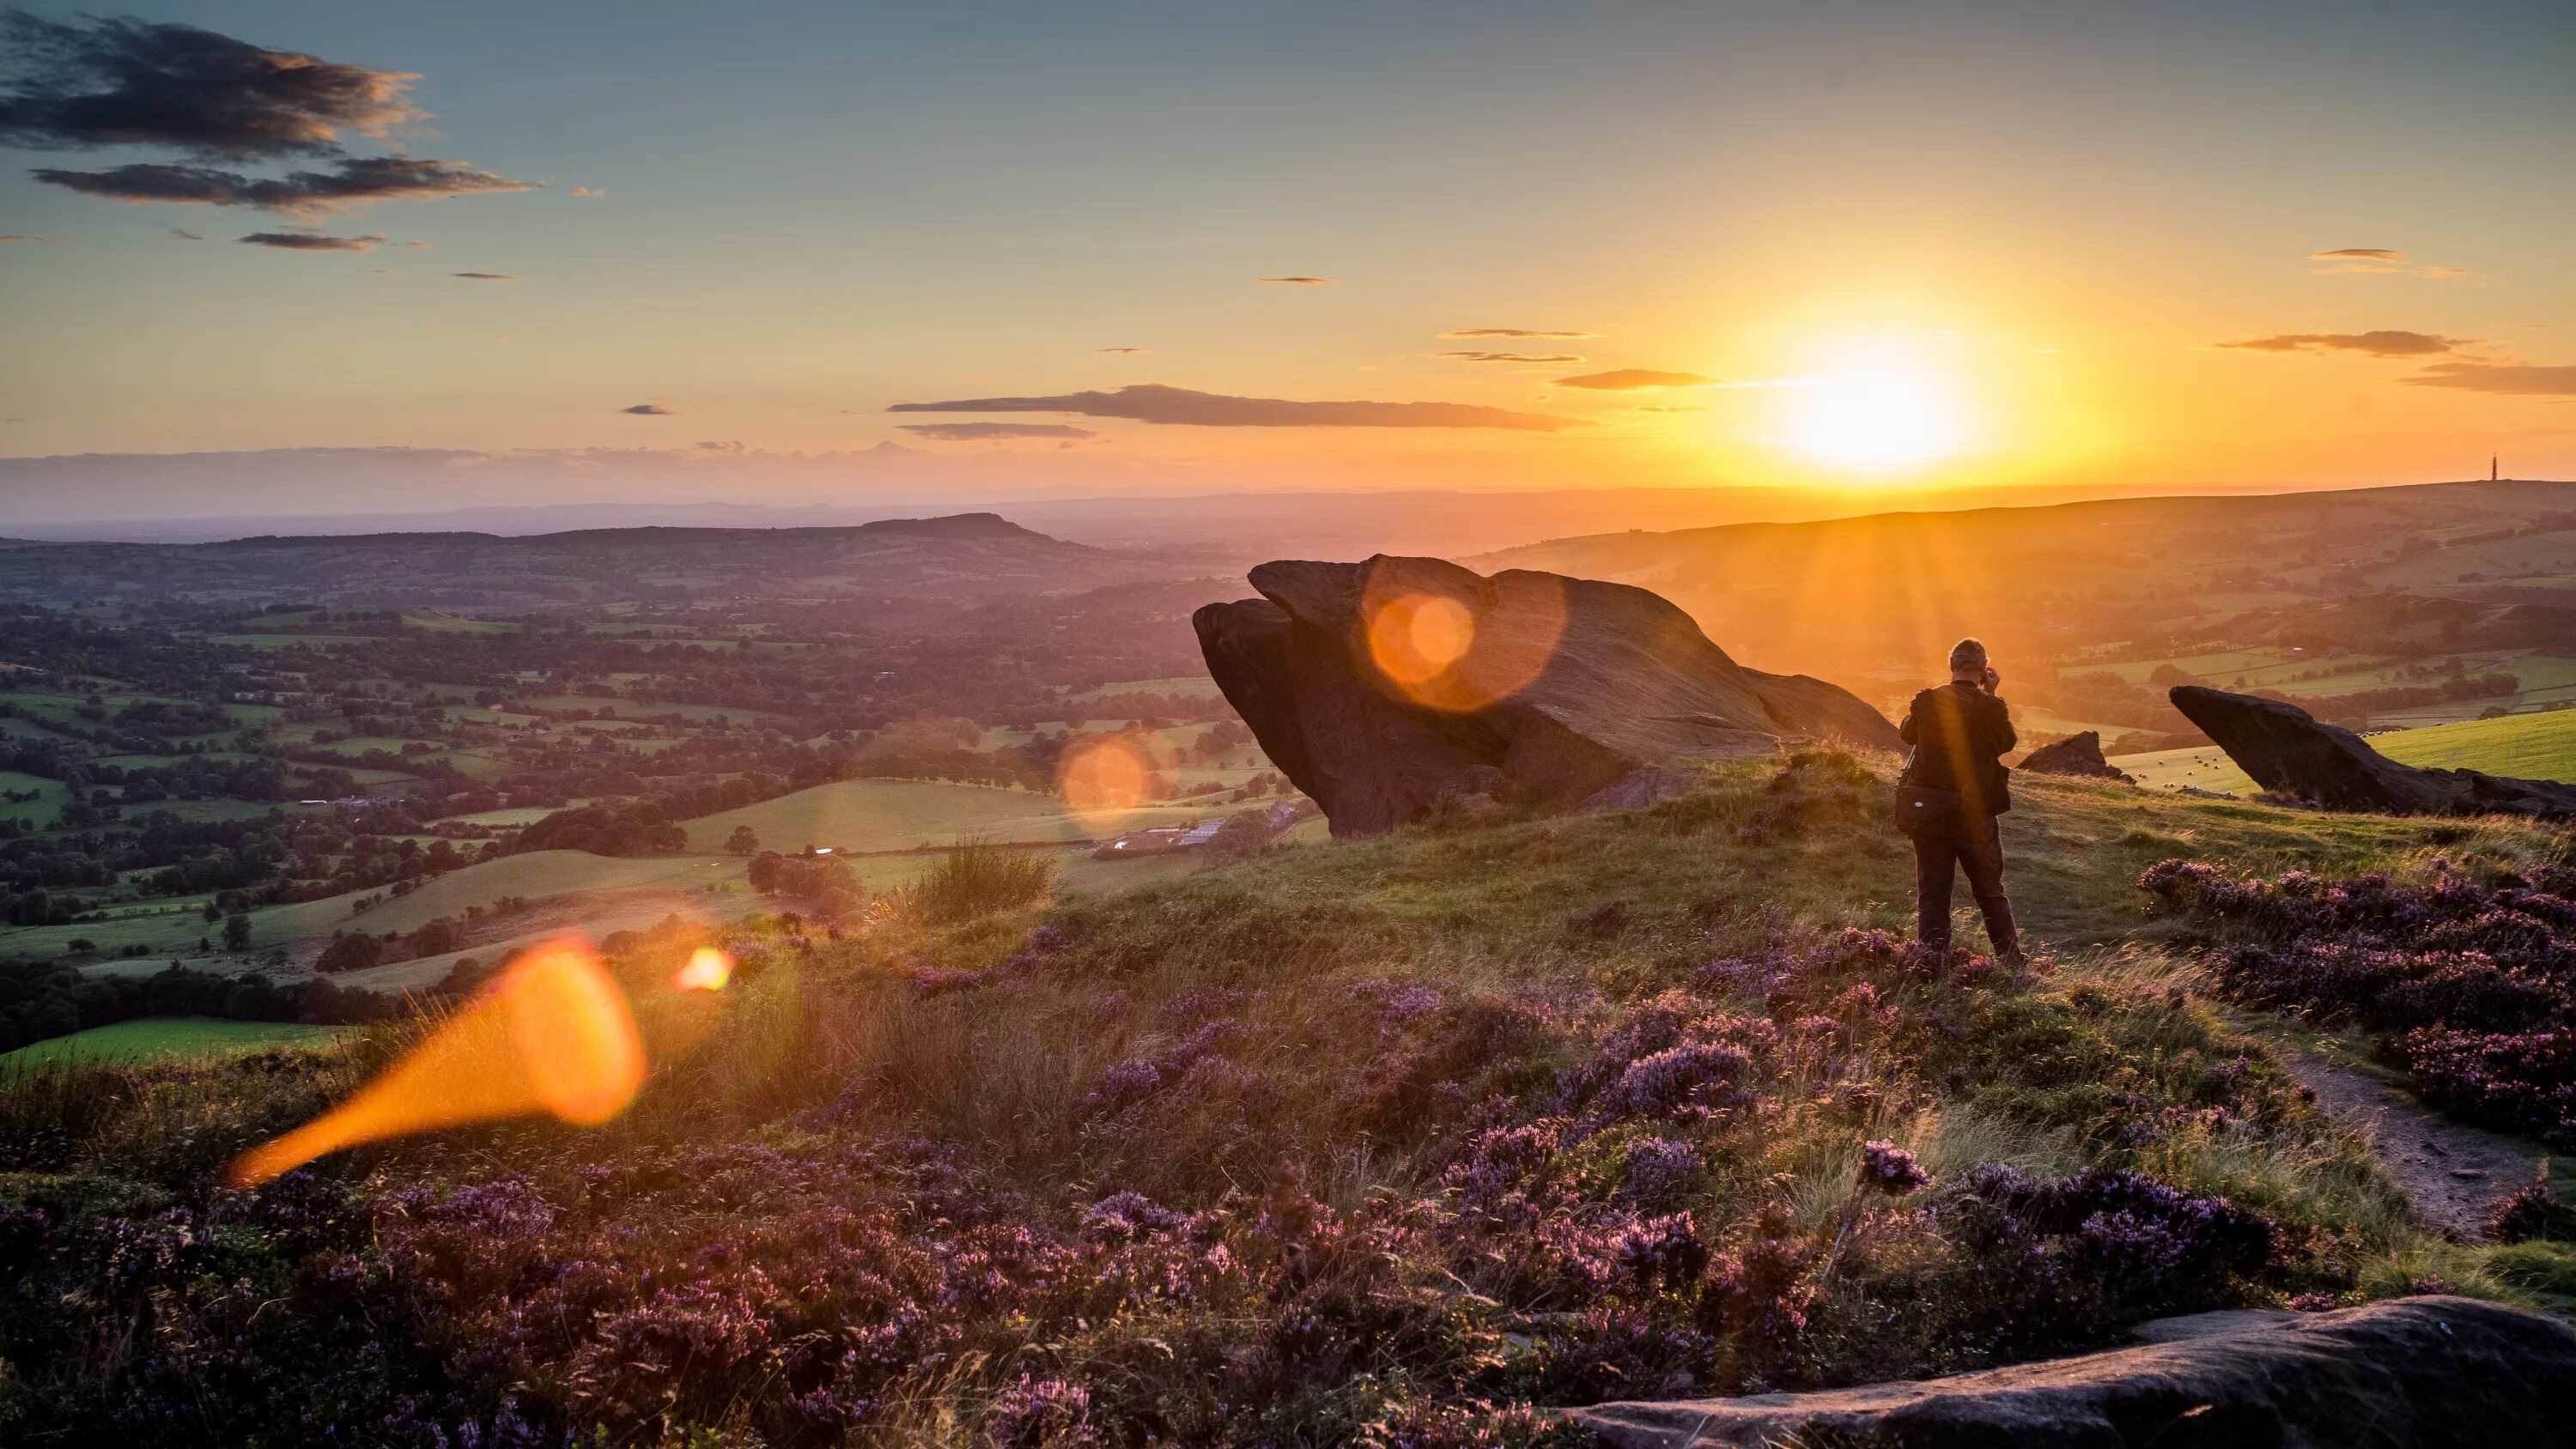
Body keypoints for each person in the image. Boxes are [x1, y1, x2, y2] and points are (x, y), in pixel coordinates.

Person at [1898, 638, 2023, 964]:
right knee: (1991, 894)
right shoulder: (1990, 706)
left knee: (1933, 897)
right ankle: (2012, 966)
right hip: (1975, 813)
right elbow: (2005, 743)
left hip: (1930, 812)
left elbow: (1908, 735)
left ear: (1951, 665)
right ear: (1983, 670)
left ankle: (1930, 965)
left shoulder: (1927, 701)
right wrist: (1991, 694)